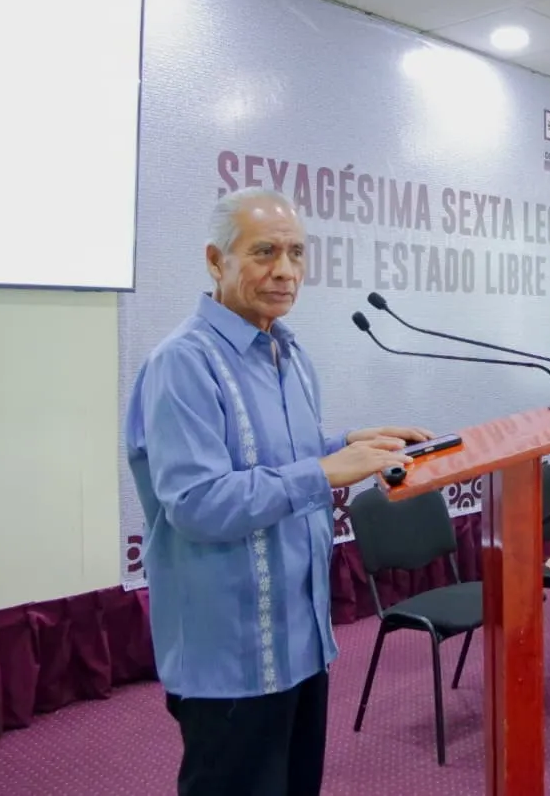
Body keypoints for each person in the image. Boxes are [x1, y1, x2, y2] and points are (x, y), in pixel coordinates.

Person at [124, 188, 429, 796]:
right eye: (264, 252)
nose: (285, 270)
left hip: (300, 643)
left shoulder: (288, 352)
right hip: (231, 660)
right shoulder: (182, 363)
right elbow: (197, 504)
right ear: (216, 261)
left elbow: (280, 459)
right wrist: (325, 471)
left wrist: (348, 445)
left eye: (296, 253)